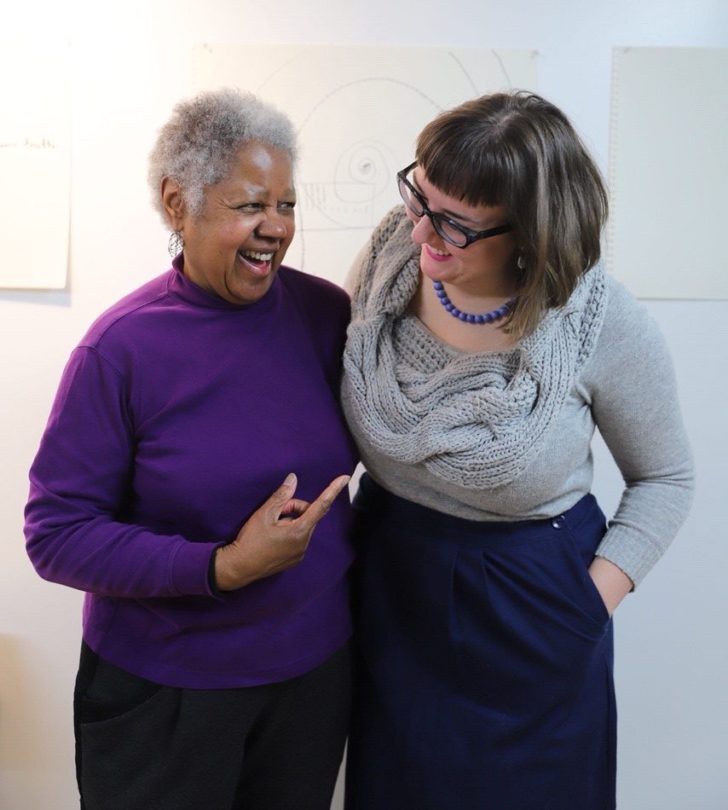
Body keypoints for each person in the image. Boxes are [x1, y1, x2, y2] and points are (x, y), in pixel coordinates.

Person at [341, 91, 693, 810]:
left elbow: (666, 479)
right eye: (419, 198)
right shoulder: (389, 258)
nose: (422, 233)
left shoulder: (598, 321)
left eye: (455, 225)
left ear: (531, 233)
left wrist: (586, 607)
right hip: (389, 589)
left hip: (530, 603)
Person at [24, 88, 357, 810]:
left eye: (287, 204)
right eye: (249, 206)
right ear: (178, 204)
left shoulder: (328, 316)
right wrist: (221, 566)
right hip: (167, 696)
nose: (275, 227)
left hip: (310, 683)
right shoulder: (121, 349)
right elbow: (56, 537)